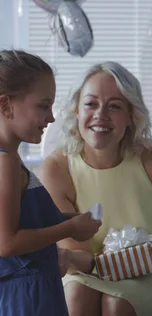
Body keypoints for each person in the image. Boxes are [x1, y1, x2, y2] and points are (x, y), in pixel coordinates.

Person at [38, 61, 152, 316]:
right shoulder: (56, 169)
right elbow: (78, 255)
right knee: (77, 293)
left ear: (132, 115)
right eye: (90, 104)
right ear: (76, 110)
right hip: (85, 270)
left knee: (116, 303)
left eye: (114, 106)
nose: (101, 114)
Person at [0, 50, 101, 316]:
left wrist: (70, 220)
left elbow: (24, 220)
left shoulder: (11, 158)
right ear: (5, 105)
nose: (52, 117)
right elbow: (7, 243)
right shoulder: (5, 162)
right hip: (28, 299)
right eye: (43, 105)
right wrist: (68, 227)